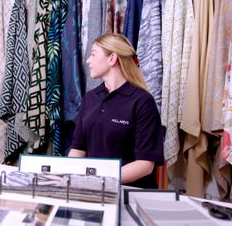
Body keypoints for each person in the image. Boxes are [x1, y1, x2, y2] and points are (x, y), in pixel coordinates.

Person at [69, 33, 163, 188]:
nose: (88, 61)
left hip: (130, 194)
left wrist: (100, 180)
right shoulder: (90, 98)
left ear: (112, 59)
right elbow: (78, 149)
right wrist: (72, 178)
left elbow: (145, 165)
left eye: (93, 54)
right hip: (93, 189)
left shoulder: (142, 101)